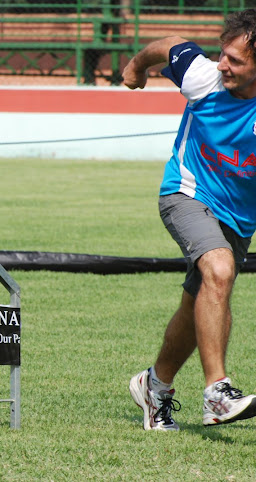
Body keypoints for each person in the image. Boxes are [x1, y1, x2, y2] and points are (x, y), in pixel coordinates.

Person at [123, 10, 256, 431]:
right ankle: (217, 391)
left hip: (238, 216)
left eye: (235, 60)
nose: (223, 65)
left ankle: (154, 386)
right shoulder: (204, 78)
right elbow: (168, 44)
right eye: (223, 54)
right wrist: (135, 66)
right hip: (185, 193)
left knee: (198, 301)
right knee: (220, 269)